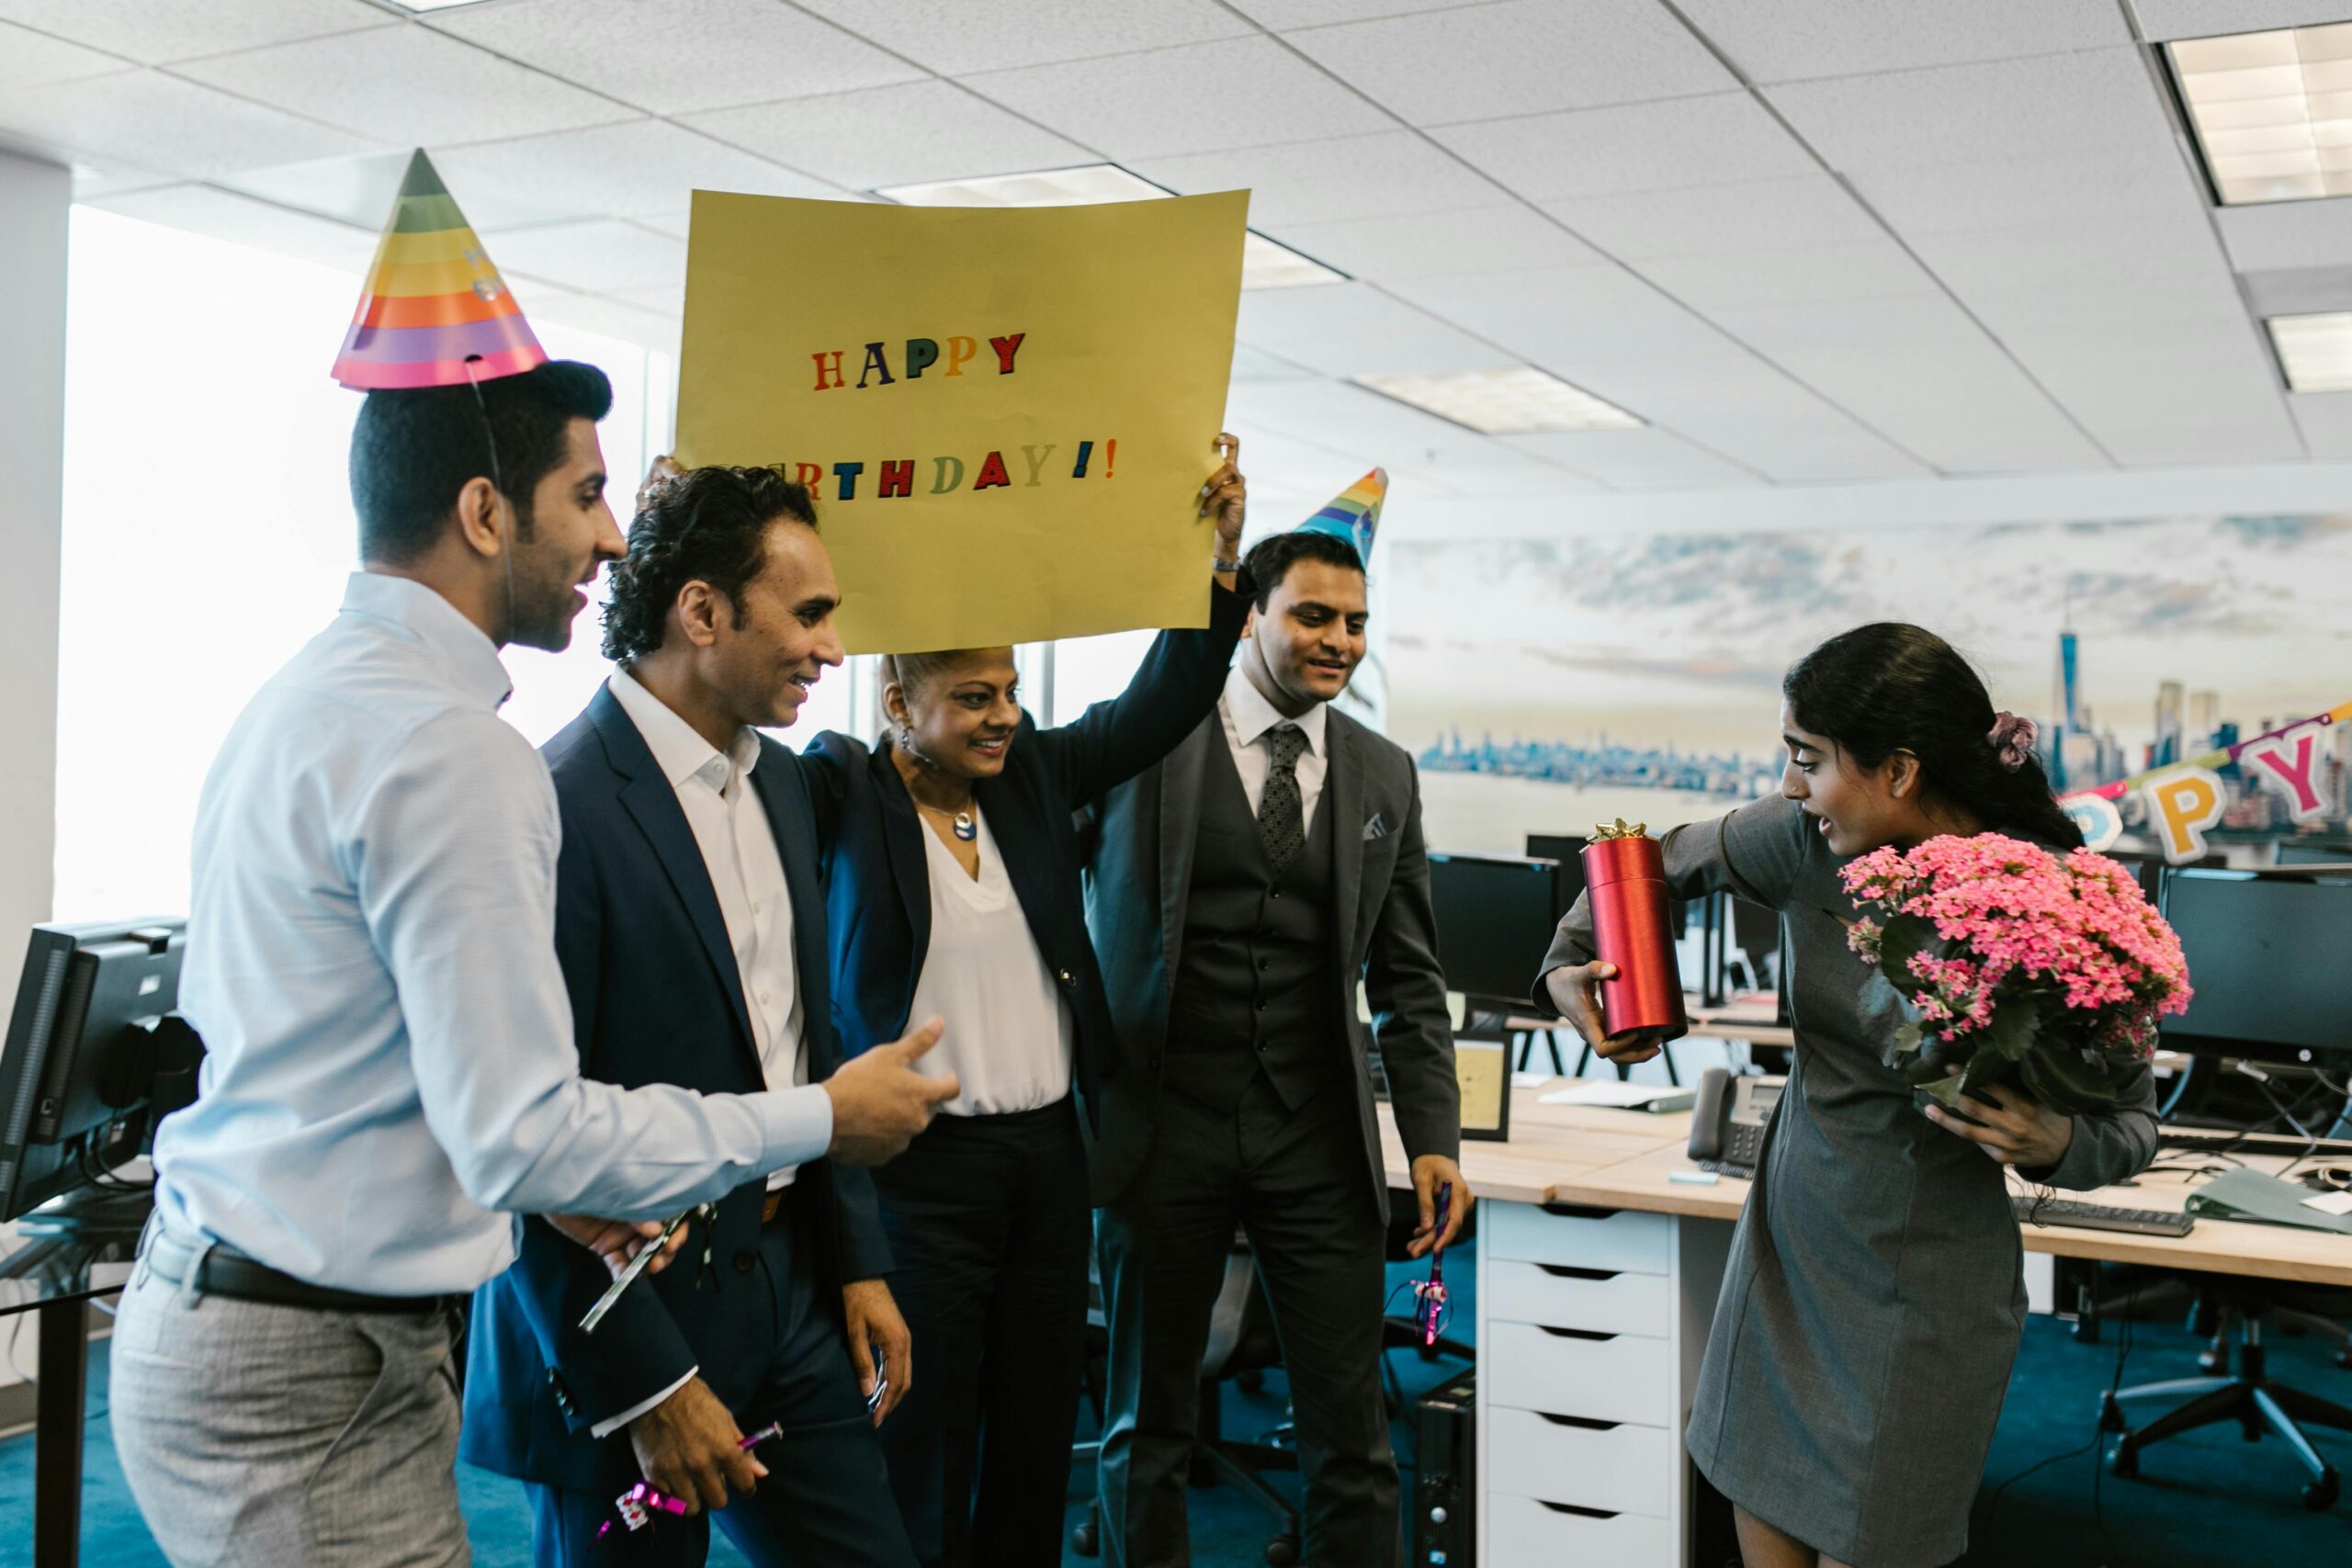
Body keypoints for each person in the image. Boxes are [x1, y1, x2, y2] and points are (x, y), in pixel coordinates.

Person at [107, 357, 954, 1568]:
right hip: (310, 1358)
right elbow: (521, 1132)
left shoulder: (312, 697)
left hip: (263, 1317)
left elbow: (431, 1075)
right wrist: (822, 1116)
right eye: (586, 492)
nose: (612, 536)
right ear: (485, 513)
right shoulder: (465, 753)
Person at [1538, 622, 2160, 1568]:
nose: (1790, 784)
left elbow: (2132, 1125)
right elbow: (1646, 859)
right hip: (1787, 1256)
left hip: (1925, 1302)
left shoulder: (2054, 898)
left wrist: (2052, 1143)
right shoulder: (1803, 843)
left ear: (1901, 769)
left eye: (1808, 760)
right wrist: (1573, 963)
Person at [464, 463, 962, 1565]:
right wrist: (647, 1380)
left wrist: (857, 1265)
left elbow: (802, 1047)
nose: (832, 650)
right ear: (701, 612)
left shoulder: (781, 786)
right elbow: (529, 1138)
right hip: (627, 1321)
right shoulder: (556, 806)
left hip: (789, 1289)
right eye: (811, 614)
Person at [797, 437, 1252, 1566]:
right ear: (896, 701)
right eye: (970, 698)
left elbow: (1161, 702)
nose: (1002, 715)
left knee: (1039, 1431)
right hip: (921, 1175)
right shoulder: (839, 792)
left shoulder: (1036, 777)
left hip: (1049, 1163)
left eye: (1006, 691)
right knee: (925, 1432)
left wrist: (1217, 564)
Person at [1081, 471, 1470, 1567]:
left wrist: (1431, 1139)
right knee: (1146, 1425)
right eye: (1311, 615)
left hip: (1316, 1135)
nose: (1338, 640)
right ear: (1248, 615)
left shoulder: (1383, 772)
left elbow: (1408, 980)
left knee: (1353, 1435)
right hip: (1161, 1124)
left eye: (1354, 622)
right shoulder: (1141, 743)